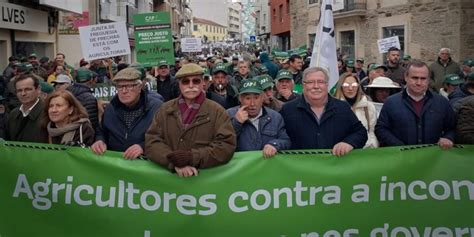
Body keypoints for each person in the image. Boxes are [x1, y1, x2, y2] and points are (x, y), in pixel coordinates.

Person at [145, 63, 236, 177]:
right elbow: (152, 141)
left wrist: (193, 157)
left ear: (203, 83)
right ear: (179, 85)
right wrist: (173, 161)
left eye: (196, 81)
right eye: (185, 81)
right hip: (169, 183)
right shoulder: (165, 109)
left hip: (205, 182)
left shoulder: (217, 111)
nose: (191, 85)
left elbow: (226, 146)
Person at [280, 67, 368, 156]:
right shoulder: (287, 110)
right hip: (300, 168)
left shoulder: (342, 108)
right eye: (310, 82)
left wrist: (349, 143)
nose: (316, 86)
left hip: (335, 167)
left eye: (321, 82)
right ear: (303, 85)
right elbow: (279, 137)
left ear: (327, 85)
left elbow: (361, 132)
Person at [375, 61, 456, 148]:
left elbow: (452, 127)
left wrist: (448, 137)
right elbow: (381, 129)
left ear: (429, 79)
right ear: (406, 77)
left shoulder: (442, 102)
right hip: (400, 157)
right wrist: (398, 146)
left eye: (423, 78)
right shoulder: (391, 102)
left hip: (433, 157)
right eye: (414, 78)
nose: (419, 83)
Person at [91, 68, 162, 159]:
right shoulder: (111, 108)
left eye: (129, 86)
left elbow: (165, 138)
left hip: (145, 166)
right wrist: (100, 140)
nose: (124, 91)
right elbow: (101, 131)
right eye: (120, 87)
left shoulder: (156, 107)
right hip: (116, 165)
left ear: (139, 87)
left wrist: (143, 147)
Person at [227, 79, 290, 157]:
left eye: (256, 98)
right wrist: (236, 123)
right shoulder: (229, 115)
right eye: (248, 98)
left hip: (266, 167)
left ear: (262, 97)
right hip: (241, 167)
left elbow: (285, 140)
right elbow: (223, 142)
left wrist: (274, 145)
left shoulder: (275, 117)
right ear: (240, 99)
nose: (252, 104)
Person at [334, 73, 378, 148]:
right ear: (340, 87)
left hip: (364, 152)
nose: (350, 88)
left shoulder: (368, 106)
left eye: (354, 85)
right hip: (341, 152)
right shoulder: (334, 107)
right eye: (346, 85)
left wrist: (372, 146)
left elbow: (372, 131)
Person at [5, 74, 48, 143]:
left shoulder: (47, 113)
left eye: (28, 89)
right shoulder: (13, 114)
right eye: (19, 90)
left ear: (38, 89)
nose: (23, 93)